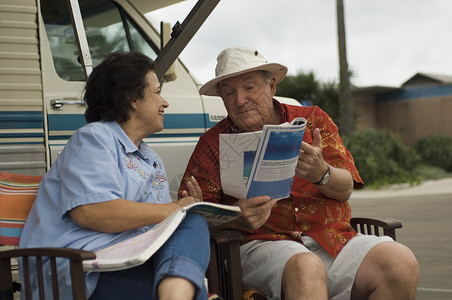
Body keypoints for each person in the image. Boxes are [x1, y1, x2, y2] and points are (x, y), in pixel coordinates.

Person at [179, 47, 419, 300]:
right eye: (229, 93)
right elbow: (193, 215)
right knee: (306, 266)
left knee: (400, 262)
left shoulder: (313, 120)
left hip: (331, 238)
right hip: (259, 246)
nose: (239, 100)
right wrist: (237, 218)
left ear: (271, 86)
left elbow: (346, 188)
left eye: (249, 88)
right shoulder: (212, 143)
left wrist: (322, 173)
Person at [19, 51, 210, 300]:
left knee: (192, 222)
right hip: (82, 271)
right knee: (196, 285)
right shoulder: (94, 138)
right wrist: (175, 209)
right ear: (132, 98)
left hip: (128, 260)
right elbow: (93, 212)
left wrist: (186, 209)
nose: (165, 102)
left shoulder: (150, 159)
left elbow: (159, 227)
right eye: (157, 91)